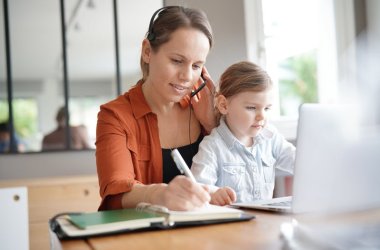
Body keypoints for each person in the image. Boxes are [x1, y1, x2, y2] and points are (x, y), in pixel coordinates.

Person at [96, 6, 217, 211]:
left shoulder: (205, 109)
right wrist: (160, 194)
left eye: (196, 66)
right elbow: (115, 196)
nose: (187, 76)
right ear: (147, 52)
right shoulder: (115, 116)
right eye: (177, 61)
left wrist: (212, 125)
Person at [191, 61, 296, 205]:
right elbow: (198, 187)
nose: (262, 116)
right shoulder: (212, 147)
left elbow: (299, 162)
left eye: (267, 109)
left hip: (263, 222)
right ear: (224, 105)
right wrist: (213, 193)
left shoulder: (270, 138)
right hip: (230, 225)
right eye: (252, 108)